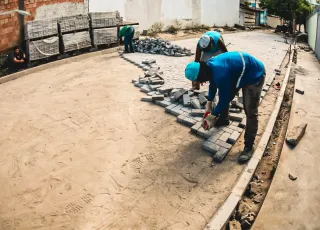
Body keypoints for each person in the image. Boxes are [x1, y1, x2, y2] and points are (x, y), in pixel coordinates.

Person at [185, 51, 265, 164]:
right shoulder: (209, 67)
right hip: (237, 72)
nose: (201, 83)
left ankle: (249, 147)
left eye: (199, 80)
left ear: (202, 74)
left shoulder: (221, 73)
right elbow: (212, 84)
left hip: (254, 74)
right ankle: (224, 120)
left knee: (250, 111)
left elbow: (225, 98)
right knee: (224, 94)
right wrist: (209, 102)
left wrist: (213, 115)